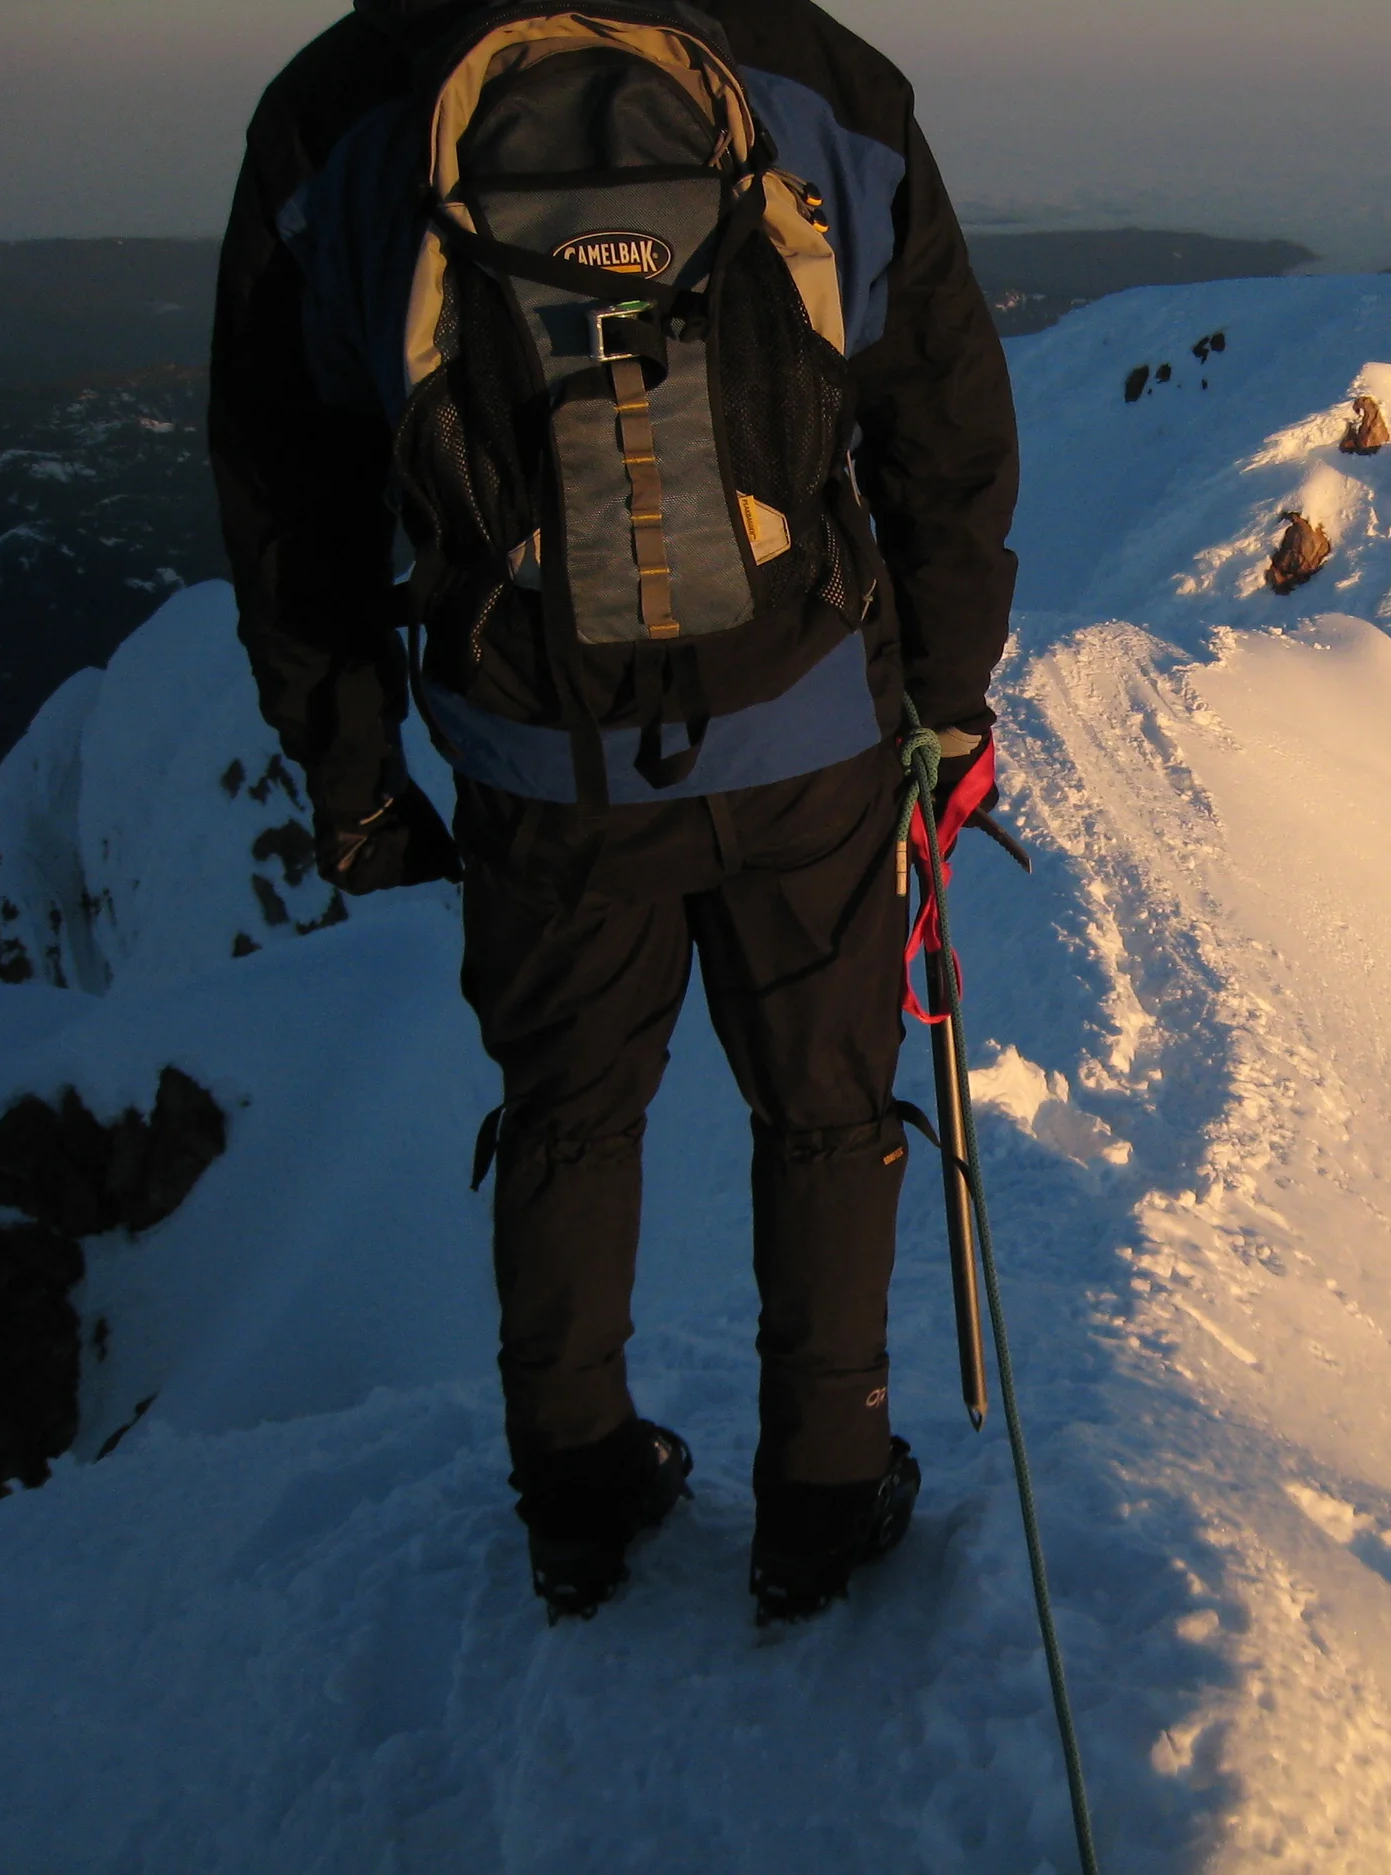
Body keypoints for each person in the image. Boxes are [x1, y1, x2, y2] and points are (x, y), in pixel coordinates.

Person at [209, 0, 1019, 1622]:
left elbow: (287, 492)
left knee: (572, 1121)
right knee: (822, 1111)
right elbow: (943, 421)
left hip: (542, 762)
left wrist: (356, 777)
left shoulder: (342, 111)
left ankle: (576, 1499)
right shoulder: (816, 79)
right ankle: (825, 1491)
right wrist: (943, 704)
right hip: (804, 745)